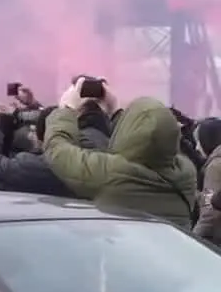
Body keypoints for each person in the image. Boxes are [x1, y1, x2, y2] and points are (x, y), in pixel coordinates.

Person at [43, 78, 200, 232]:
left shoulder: (111, 174)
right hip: (173, 255)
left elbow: (58, 149)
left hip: (123, 255)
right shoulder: (186, 174)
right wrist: (115, 112)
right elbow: (153, 139)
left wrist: (67, 109)